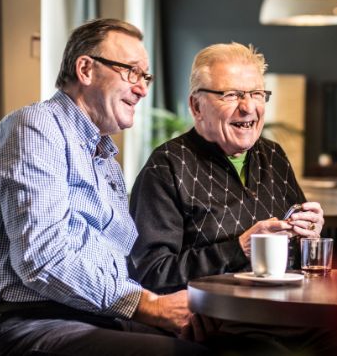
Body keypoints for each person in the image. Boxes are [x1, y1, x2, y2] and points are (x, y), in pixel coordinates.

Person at [0, 18, 206, 356]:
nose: (143, 89)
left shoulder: (103, 157)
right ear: (86, 69)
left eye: (145, 76)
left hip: (92, 318)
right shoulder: (34, 127)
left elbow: (121, 264)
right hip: (25, 326)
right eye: (132, 72)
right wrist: (148, 305)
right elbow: (41, 258)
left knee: (226, 341)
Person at [129, 42, 324, 293]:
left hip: (285, 309)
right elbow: (151, 273)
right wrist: (239, 248)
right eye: (231, 95)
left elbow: (298, 257)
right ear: (197, 107)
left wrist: (310, 236)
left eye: (256, 94)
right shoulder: (167, 166)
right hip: (214, 319)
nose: (248, 107)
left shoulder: (273, 154)